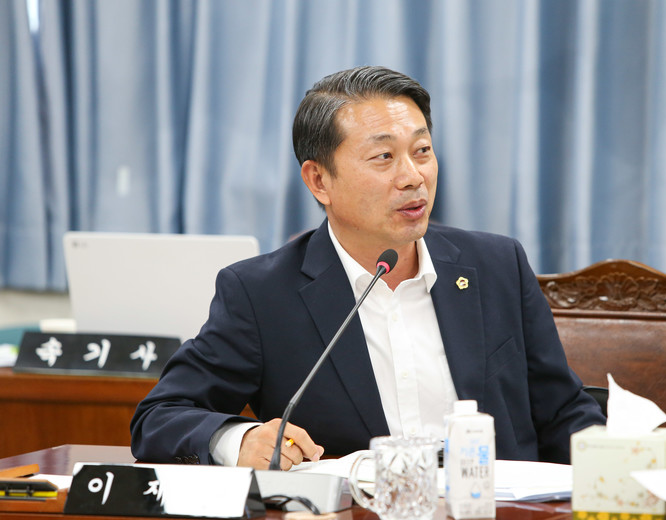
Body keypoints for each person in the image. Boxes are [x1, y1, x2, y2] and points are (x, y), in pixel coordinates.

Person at [130, 65, 605, 470]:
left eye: (422, 151)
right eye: (384, 157)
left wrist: (613, 466)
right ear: (319, 180)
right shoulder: (261, 294)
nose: (413, 176)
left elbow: (563, 412)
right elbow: (160, 417)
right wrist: (239, 440)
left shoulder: (497, 265)